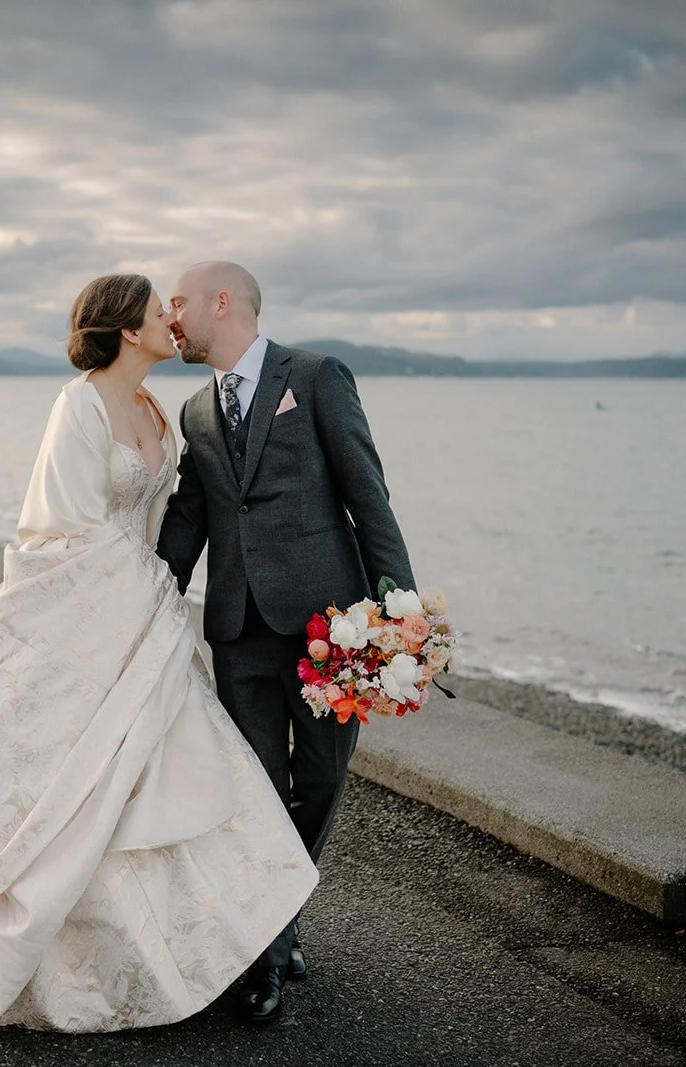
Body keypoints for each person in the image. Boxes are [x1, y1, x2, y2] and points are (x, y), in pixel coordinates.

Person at [0, 274, 317, 1032]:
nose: (171, 319)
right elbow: (62, 529)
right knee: (90, 785)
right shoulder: (79, 406)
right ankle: (85, 960)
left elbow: (173, 517)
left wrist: (163, 590)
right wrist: (142, 594)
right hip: (95, 616)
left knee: (175, 773)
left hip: (146, 612)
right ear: (129, 330)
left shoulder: (159, 409)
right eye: (160, 310)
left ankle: (224, 941)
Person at [156, 261, 415, 1023]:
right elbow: (190, 515)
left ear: (223, 302)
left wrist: (400, 614)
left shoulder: (317, 376)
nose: (172, 317)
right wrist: (143, 591)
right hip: (238, 631)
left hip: (328, 629)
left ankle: (280, 912)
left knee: (323, 780)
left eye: (180, 301)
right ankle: (266, 955)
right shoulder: (196, 411)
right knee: (258, 793)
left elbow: (368, 495)